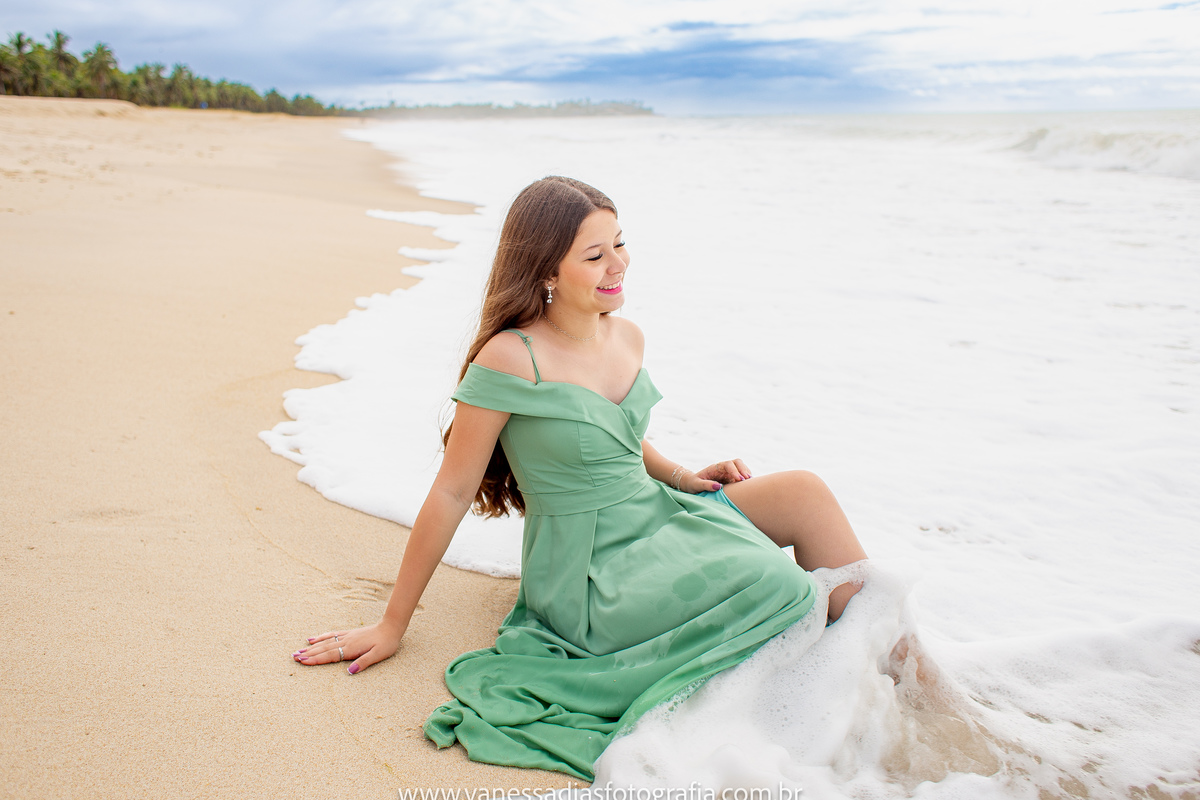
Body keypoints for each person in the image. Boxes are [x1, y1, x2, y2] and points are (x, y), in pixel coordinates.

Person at [292, 176, 868, 780]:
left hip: (654, 510)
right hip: (590, 567)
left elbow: (612, 433)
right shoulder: (512, 357)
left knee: (806, 493)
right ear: (546, 271)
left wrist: (679, 474)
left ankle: (885, 674)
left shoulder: (626, 335)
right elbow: (452, 491)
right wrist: (392, 623)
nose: (617, 264)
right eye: (595, 255)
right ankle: (817, 704)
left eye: (620, 244)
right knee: (774, 580)